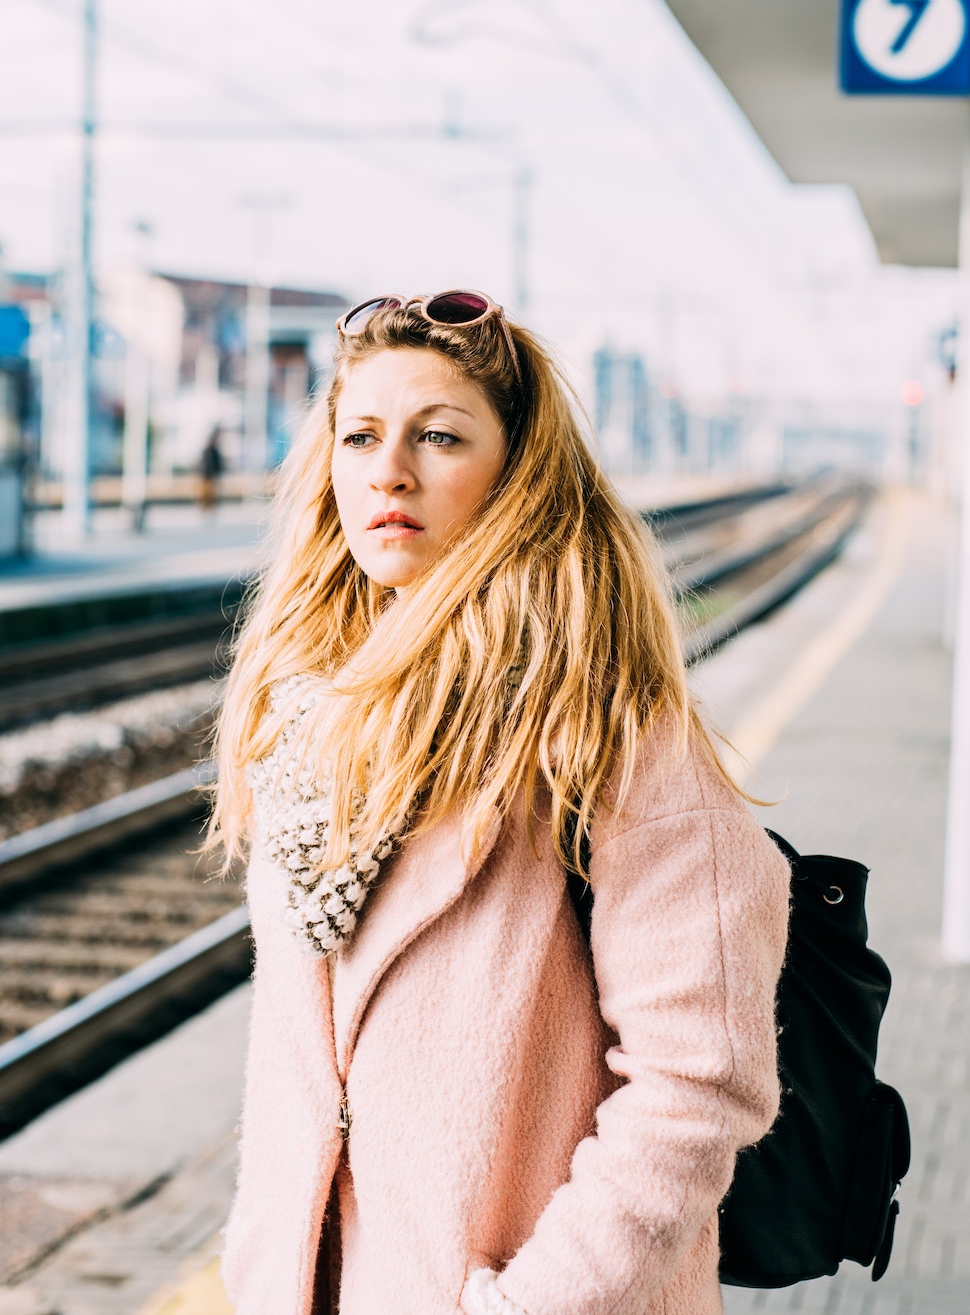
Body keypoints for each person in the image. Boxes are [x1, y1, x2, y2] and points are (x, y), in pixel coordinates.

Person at [211, 290, 790, 1315]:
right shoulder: (306, 717)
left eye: (437, 436)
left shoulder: (603, 731)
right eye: (359, 435)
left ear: (517, 474)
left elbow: (701, 1082)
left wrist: (527, 1306)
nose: (388, 470)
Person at [198, 426, 226, 518]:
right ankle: (205, 510)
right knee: (206, 494)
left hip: (210, 475)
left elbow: (218, 464)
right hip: (206, 475)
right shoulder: (208, 451)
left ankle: (209, 510)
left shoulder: (214, 451)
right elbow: (204, 464)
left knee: (212, 494)